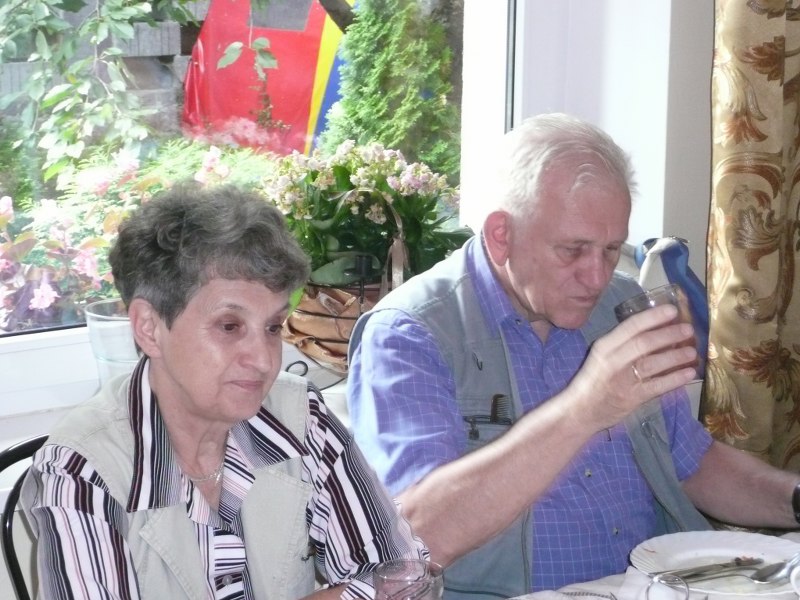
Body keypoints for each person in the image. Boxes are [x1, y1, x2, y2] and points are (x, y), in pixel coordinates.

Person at [346, 113, 800, 598]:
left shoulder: (621, 306)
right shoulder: (409, 334)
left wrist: (793, 499)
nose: (597, 277)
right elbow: (417, 539)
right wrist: (585, 408)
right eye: (573, 250)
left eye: (610, 249)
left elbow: (693, 463)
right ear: (501, 235)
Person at [22, 183, 428, 599]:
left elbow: (403, 578)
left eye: (272, 327)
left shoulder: (301, 418)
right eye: (230, 326)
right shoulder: (82, 471)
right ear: (149, 327)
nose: (265, 360)